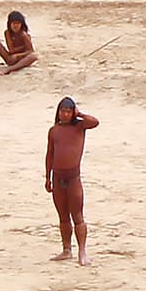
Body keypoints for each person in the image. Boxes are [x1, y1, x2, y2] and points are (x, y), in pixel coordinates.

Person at [46, 97, 99, 266]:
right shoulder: (54, 130)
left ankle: (82, 251)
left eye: (69, 111)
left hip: (73, 177)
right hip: (57, 175)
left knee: (77, 215)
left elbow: (95, 122)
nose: (65, 114)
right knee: (62, 216)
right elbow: (50, 155)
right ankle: (66, 249)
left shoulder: (79, 126)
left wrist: (80, 113)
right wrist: (47, 177)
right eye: (63, 111)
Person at [0, 11, 38, 76]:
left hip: (21, 60)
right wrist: (21, 48)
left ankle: (9, 69)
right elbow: (11, 49)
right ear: (10, 24)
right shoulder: (7, 33)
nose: (15, 26)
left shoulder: (24, 35)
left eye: (18, 23)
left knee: (34, 56)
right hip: (10, 57)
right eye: (14, 23)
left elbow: (30, 51)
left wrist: (19, 55)